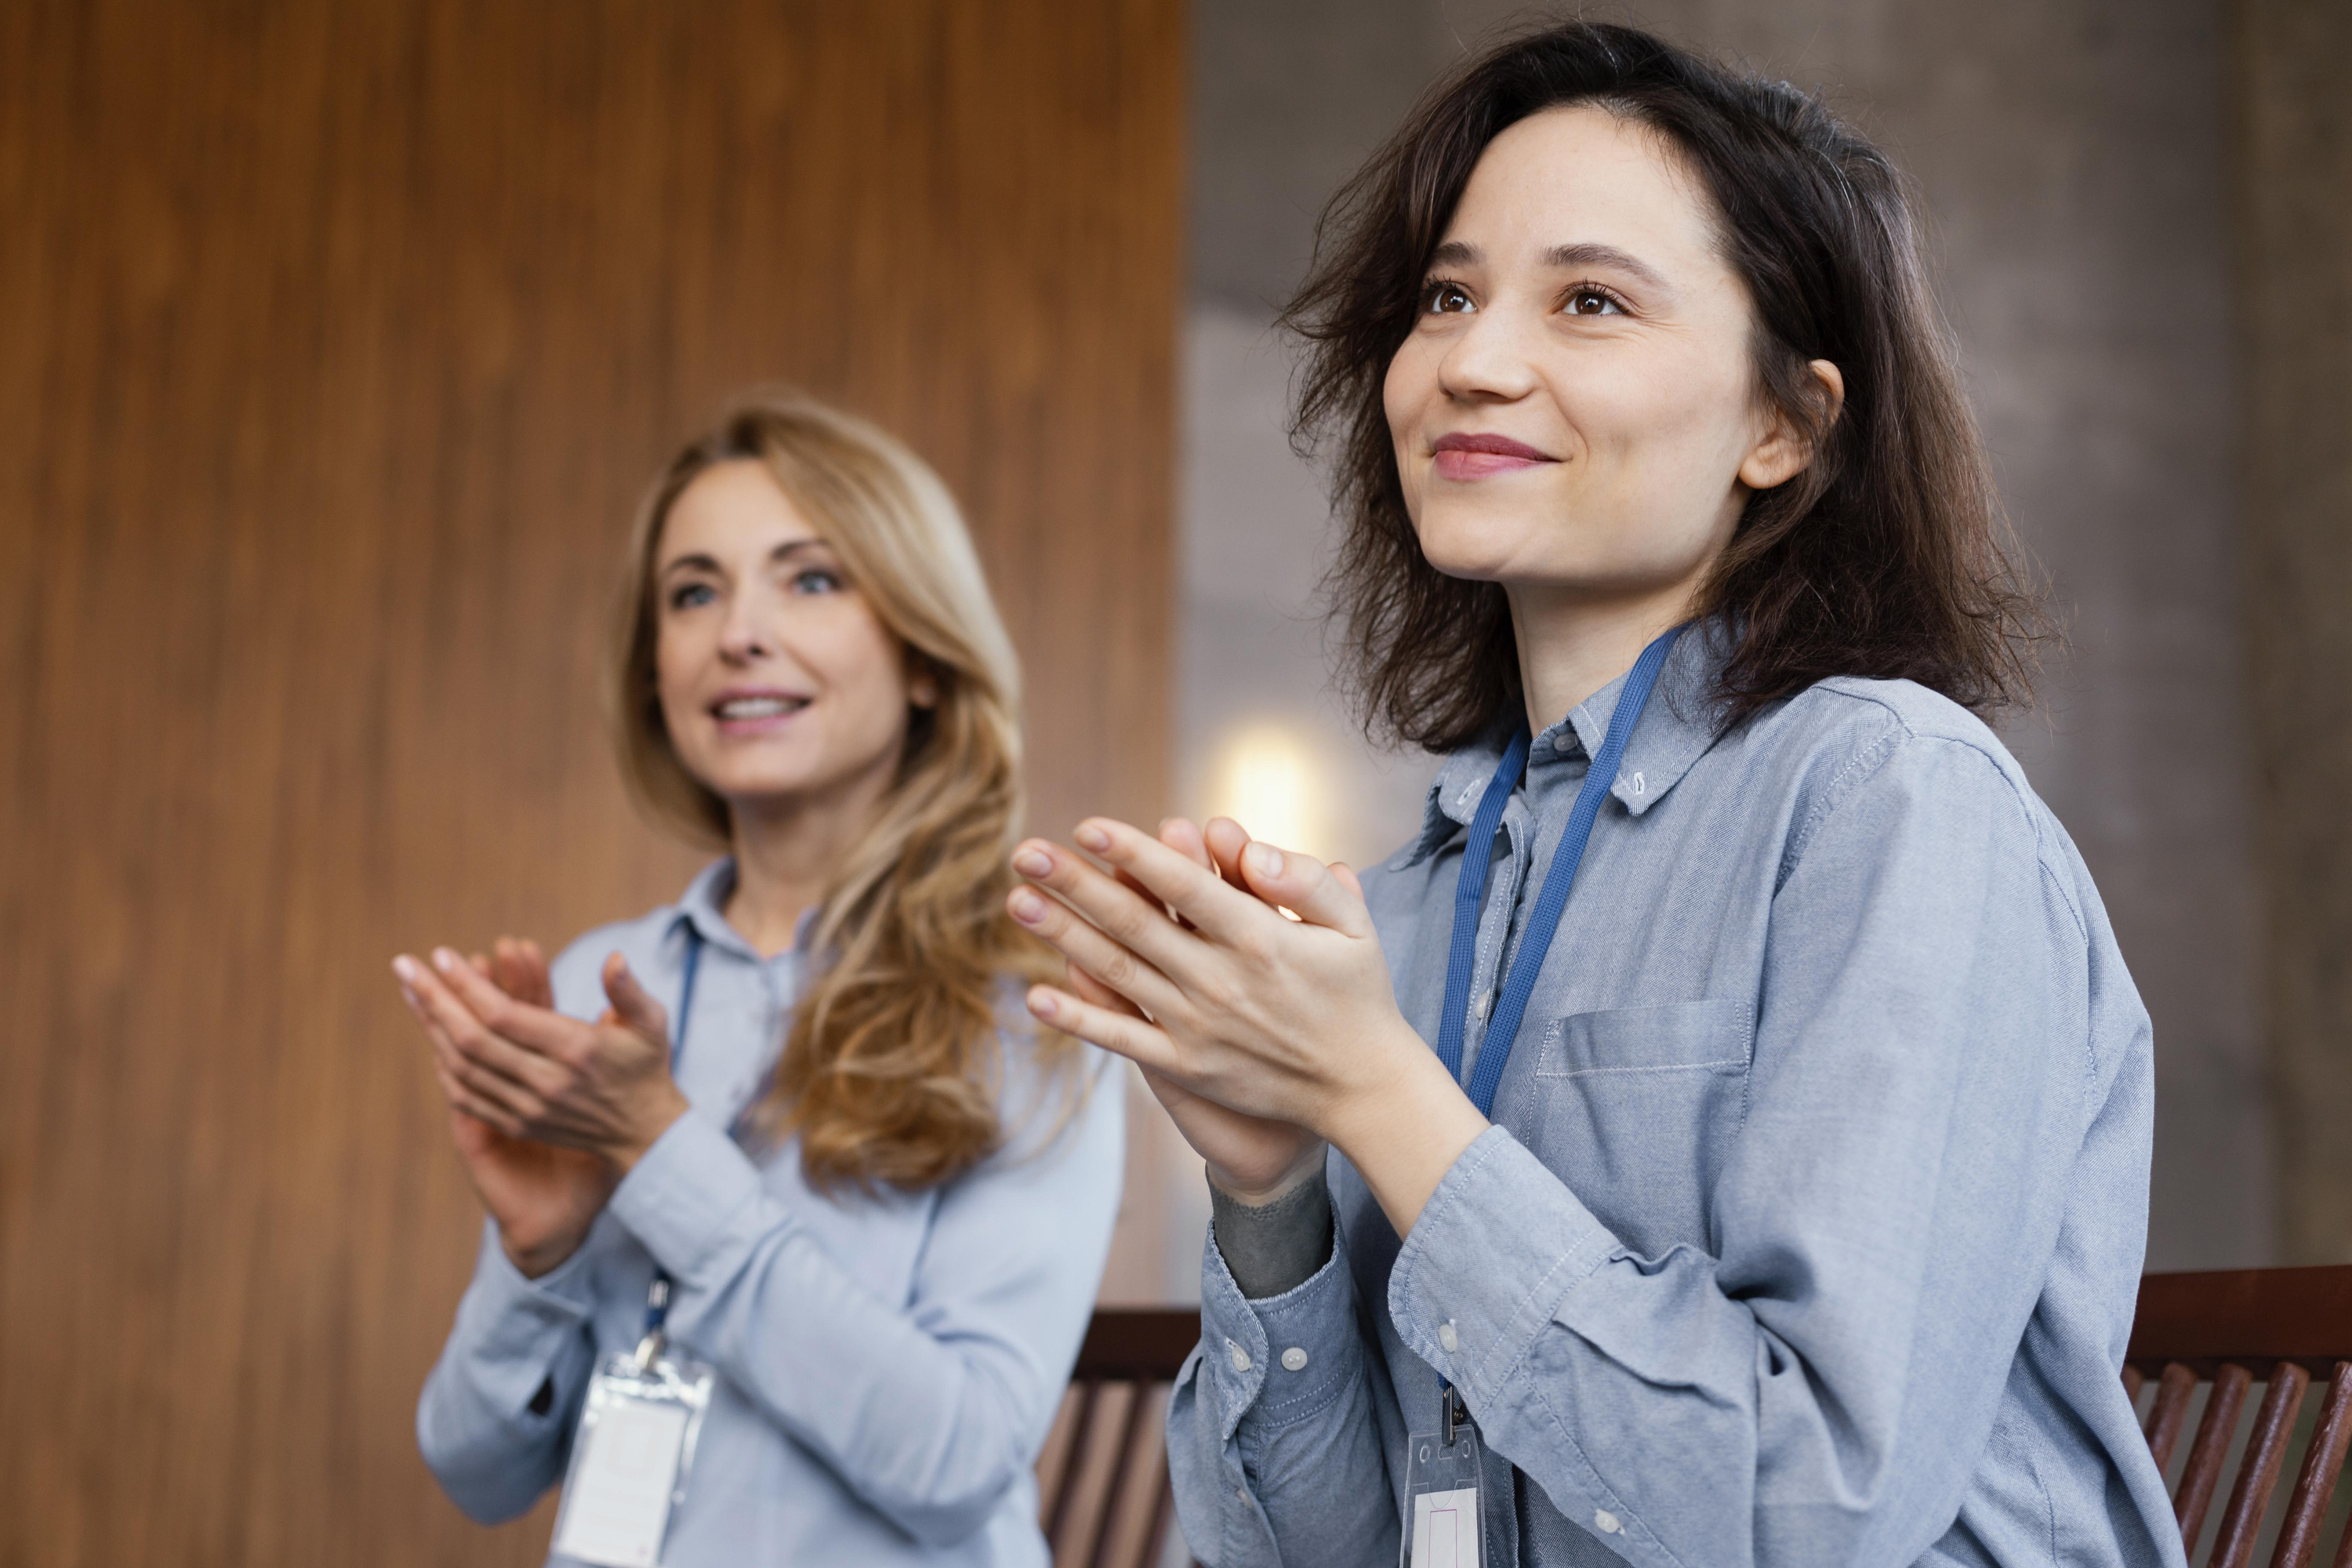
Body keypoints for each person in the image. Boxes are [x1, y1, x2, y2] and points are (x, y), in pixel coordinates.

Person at [1004, 22, 2180, 1568]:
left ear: (1787, 424)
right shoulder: (1422, 891)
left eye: (1592, 301)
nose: (1475, 360)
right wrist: (1268, 1183)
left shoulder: (1895, 804)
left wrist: (1376, 1091)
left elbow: (1803, 1513)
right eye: (1447, 294)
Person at [392, 393, 1123, 1566]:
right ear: (656, 672)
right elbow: (474, 1476)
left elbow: (959, 1463)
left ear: (925, 657)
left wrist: (656, 1151)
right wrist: (541, 1264)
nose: (737, 632)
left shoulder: (1036, 1006)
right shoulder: (598, 981)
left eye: (811, 579)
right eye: (693, 593)